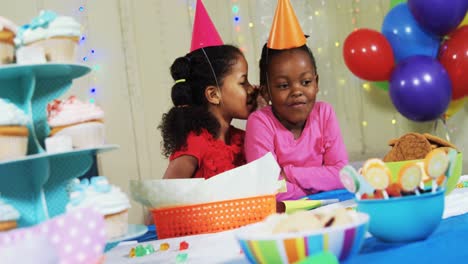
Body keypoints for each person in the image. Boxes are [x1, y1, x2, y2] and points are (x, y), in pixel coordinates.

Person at [244, 0, 348, 201]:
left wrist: (290, 173)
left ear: (316, 83)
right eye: (283, 85)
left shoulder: (324, 113)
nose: (297, 91)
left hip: (330, 209)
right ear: (266, 92)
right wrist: (318, 188)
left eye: (306, 81)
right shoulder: (260, 123)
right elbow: (268, 187)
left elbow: (342, 175)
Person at [160, 44, 257, 179]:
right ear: (213, 95)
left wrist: (263, 115)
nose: (252, 88)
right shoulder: (195, 144)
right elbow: (166, 195)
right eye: (243, 82)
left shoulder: (244, 139)